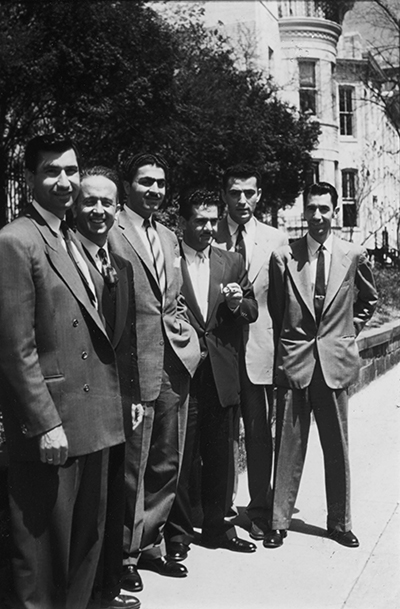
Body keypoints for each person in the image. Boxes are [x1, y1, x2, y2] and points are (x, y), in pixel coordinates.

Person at [0, 134, 126, 609]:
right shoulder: (16, 240)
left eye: (71, 170)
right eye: (52, 171)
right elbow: (15, 348)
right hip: (54, 430)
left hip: (91, 421)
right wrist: (46, 422)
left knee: (82, 555)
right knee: (40, 562)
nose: (65, 180)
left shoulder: (69, 237)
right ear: (30, 178)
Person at [265, 181, 378, 549]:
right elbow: (278, 309)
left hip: (334, 363)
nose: (317, 216)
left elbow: (369, 299)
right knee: (289, 444)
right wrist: (294, 342)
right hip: (296, 361)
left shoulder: (353, 254)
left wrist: (347, 333)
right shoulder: (285, 256)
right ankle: (279, 520)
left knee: (337, 446)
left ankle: (340, 522)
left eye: (324, 209)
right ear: (304, 210)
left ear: (334, 212)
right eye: (311, 208)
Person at [108, 153, 201, 593]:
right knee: (134, 463)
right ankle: (125, 554)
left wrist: (189, 342)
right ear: (128, 186)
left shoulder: (168, 235)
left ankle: (150, 543)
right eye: (146, 182)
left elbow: (174, 298)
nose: (155, 190)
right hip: (133, 365)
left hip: (175, 363)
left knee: (168, 459)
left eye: (161, 183)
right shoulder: (110, 228)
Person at [164, 188, 259, 559]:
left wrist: (238, 304)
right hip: (183, 373)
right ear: (184, 222)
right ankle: (179, 535)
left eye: (211, 221)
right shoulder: (168, 261)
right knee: (182, 457)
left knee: (220, 456)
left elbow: (251, 309)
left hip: (220, 373)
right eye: (199, 220)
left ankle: (217, 527)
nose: (206, 227)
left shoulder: (231, 261)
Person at [73, 166, 142, 609]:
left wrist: (132, 395)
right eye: (89, 201)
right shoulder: (66, 257)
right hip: (78, 403)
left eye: (107, 203)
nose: (99, 210)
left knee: (112, 499)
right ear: (75, 206)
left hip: (116, 401)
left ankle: (105, 591)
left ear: (118, 209)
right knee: (82, 512)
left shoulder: (120, 266)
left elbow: (127, 337)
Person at [215, 164, 288, 538]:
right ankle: (223, 511)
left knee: (260, 434)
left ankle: (261, 510)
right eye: (234, 192)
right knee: (222, 436)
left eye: (249, 193)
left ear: (259, 195)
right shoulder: (208, 235)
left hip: (260, 353)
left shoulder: (276, 239)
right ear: (224, 195)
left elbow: (282, 303)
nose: (242, 200)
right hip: (219, 354)